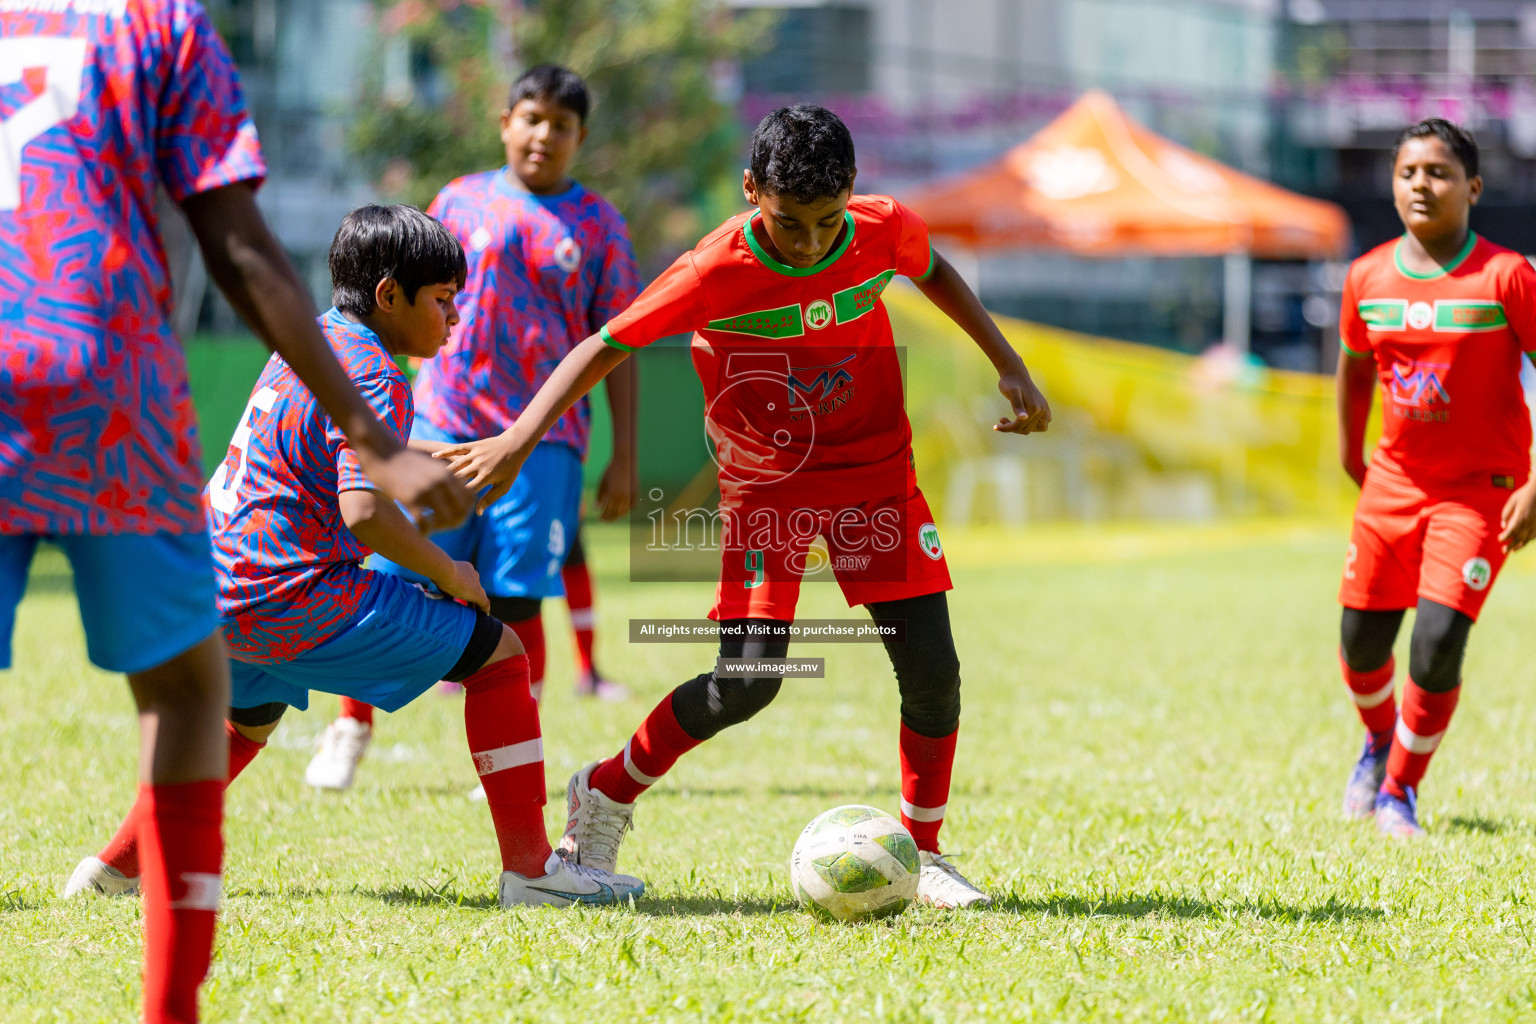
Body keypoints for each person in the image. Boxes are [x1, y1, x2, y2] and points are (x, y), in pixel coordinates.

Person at [437, 105, 1052, 908]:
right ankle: (607, 789)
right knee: (749, 682)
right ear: (751, 190)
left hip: (876, 476)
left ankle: (924, 851)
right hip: (770, 488)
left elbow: (931, 268)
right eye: (788, 223)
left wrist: (1008, 363)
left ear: (854, 193)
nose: (808, 243)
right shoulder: (711, 269)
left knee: (934, 672)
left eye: (826, 222)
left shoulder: (880, 228)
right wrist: (519, 438)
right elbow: (605, 344)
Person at [0, 4, 469, 1022]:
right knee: (182, 697)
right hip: (101, 374)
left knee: (239, 698)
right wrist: (376, 437)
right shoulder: (160, 27)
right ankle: (169, 1008)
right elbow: (236, 239)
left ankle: (113, 869)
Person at [66, 206, 646, 909]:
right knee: (501, 658)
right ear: (389, 297)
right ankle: (530, 870)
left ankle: (115, 867)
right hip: (289, 593)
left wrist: (445, 453)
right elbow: (364, 513)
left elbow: (348, 445)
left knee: (250, 718)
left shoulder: (312, 345)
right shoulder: (378, 375)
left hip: (208, 590)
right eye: (442, 300)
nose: (455, 318)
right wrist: (447, 570)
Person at [303, 64, 639, 790]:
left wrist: (625, 455)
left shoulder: (600, 225)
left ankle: (517, 747)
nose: (544, 134)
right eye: (531, 117)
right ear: (505, 123)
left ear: (581, 137)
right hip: (442, 426)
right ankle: (348, 726)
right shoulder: (458, 199)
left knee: (517, 597)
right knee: (390, 572)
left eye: (562, 124)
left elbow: (621, 343)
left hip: (543, 443)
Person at [1335, 118, 1536, 838]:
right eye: (1409, 172)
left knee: (1439, 639)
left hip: (1480, 490)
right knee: (1360, 643)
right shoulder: (1366, 276)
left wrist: (1535, 487)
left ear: (1474, 188)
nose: (1423, 184)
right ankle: (1378, 739)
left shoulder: (1508, 275)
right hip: (1391, 486)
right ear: (1393, 186)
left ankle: (1398, 791)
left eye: (1440, 172)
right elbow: (1355, 369)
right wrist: (1350, 455)